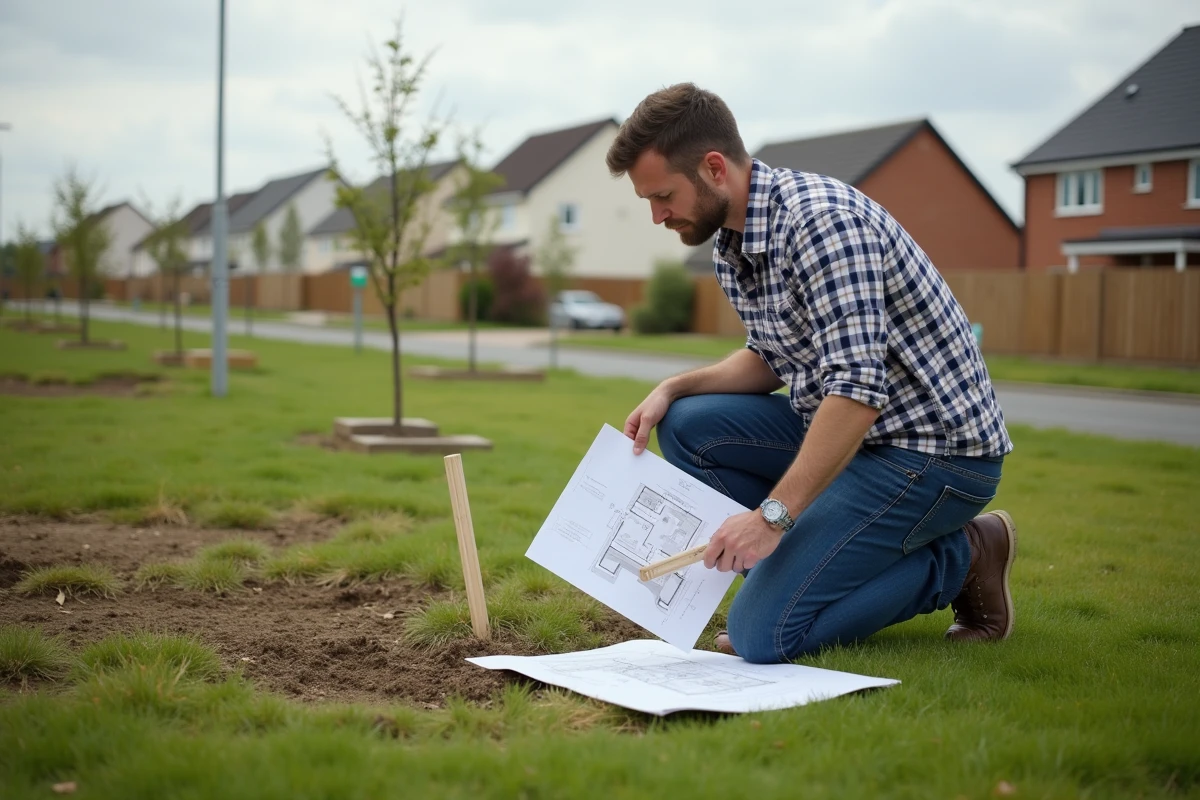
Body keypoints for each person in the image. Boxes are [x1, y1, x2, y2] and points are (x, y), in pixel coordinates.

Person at [606, 83, 1017, 664]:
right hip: (857, 437)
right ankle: (803, 565)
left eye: (663, 196)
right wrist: (673, 387)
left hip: (932, 456)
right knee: (688, 424)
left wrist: (773, 518)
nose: (657, 216)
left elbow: (855, 390)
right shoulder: (733, 241)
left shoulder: (822, 224)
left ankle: (965, 555)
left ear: (715, 168)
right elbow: (772, 357)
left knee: (761, 638)